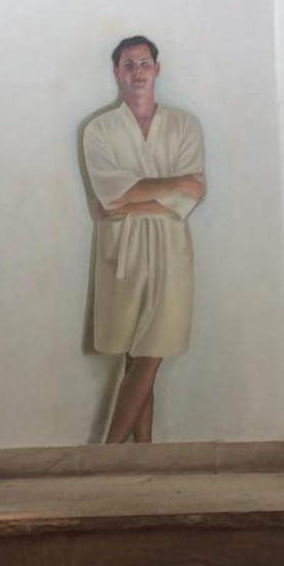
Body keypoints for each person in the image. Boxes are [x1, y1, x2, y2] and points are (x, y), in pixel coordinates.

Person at [83, 35, 205, 443]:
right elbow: (109, 193)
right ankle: (142, 456)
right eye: (129, 64)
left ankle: (108, 454)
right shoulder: (99, 130)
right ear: (116, 71)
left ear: (157, 68)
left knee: (152, 353)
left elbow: (193, 194)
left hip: (171, 250)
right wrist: (173, 185)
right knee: (134, 355)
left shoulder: (184, 126)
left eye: (144, 63)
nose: (138, 71)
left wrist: (132, 201)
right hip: (122, 249)